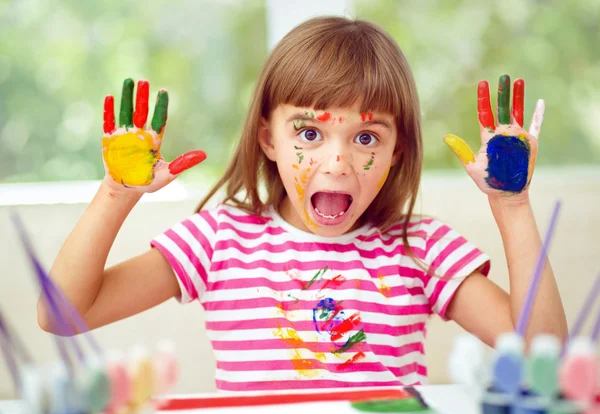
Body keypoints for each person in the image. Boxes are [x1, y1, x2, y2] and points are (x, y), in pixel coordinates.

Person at [39, 16, 567, 391]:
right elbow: (62, 314)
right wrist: (114, 194)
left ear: (396, 149)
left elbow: (543, 352)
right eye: (309, 132)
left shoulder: (419, 249)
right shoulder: (220, 240)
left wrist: (513, 206)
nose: (336, 162)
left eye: (365, 138)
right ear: (268, 137)